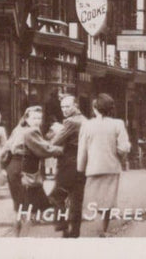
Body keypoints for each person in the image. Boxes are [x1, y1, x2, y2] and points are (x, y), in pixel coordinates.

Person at [77, 93, 131, 237]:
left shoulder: (87, 125)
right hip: (111, 168)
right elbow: (124, 147)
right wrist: (120, 157)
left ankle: (93, 231)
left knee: (92, 200)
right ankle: (103, 230)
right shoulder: (118, 124)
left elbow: (82, 150)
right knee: (108, 201)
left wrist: (80, 168)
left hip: (93, 168)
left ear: (95, 108)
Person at [8, 105, 64, 237]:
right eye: (34, 118)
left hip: (14, 168)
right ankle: (22, 239)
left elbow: (6, 149)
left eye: (39, 118)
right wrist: (63, 150)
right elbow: (44, 150)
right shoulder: (31, 131)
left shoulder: (18, 129)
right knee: (27, 207)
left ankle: (18, 237)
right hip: (25, 169)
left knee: (19, 206)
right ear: (26, 118)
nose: (37, 121)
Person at [48, 94, 87, 238]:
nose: (64, 109)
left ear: (75, 105)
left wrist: (56, 131)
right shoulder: (85, 120)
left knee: (55, 196)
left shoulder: (70, 121)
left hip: (68, 163)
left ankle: (62, 226)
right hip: (82, 164)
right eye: (62, 107)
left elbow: (55, 142)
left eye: (67, 106)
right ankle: (75, 232)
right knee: (76, 199)